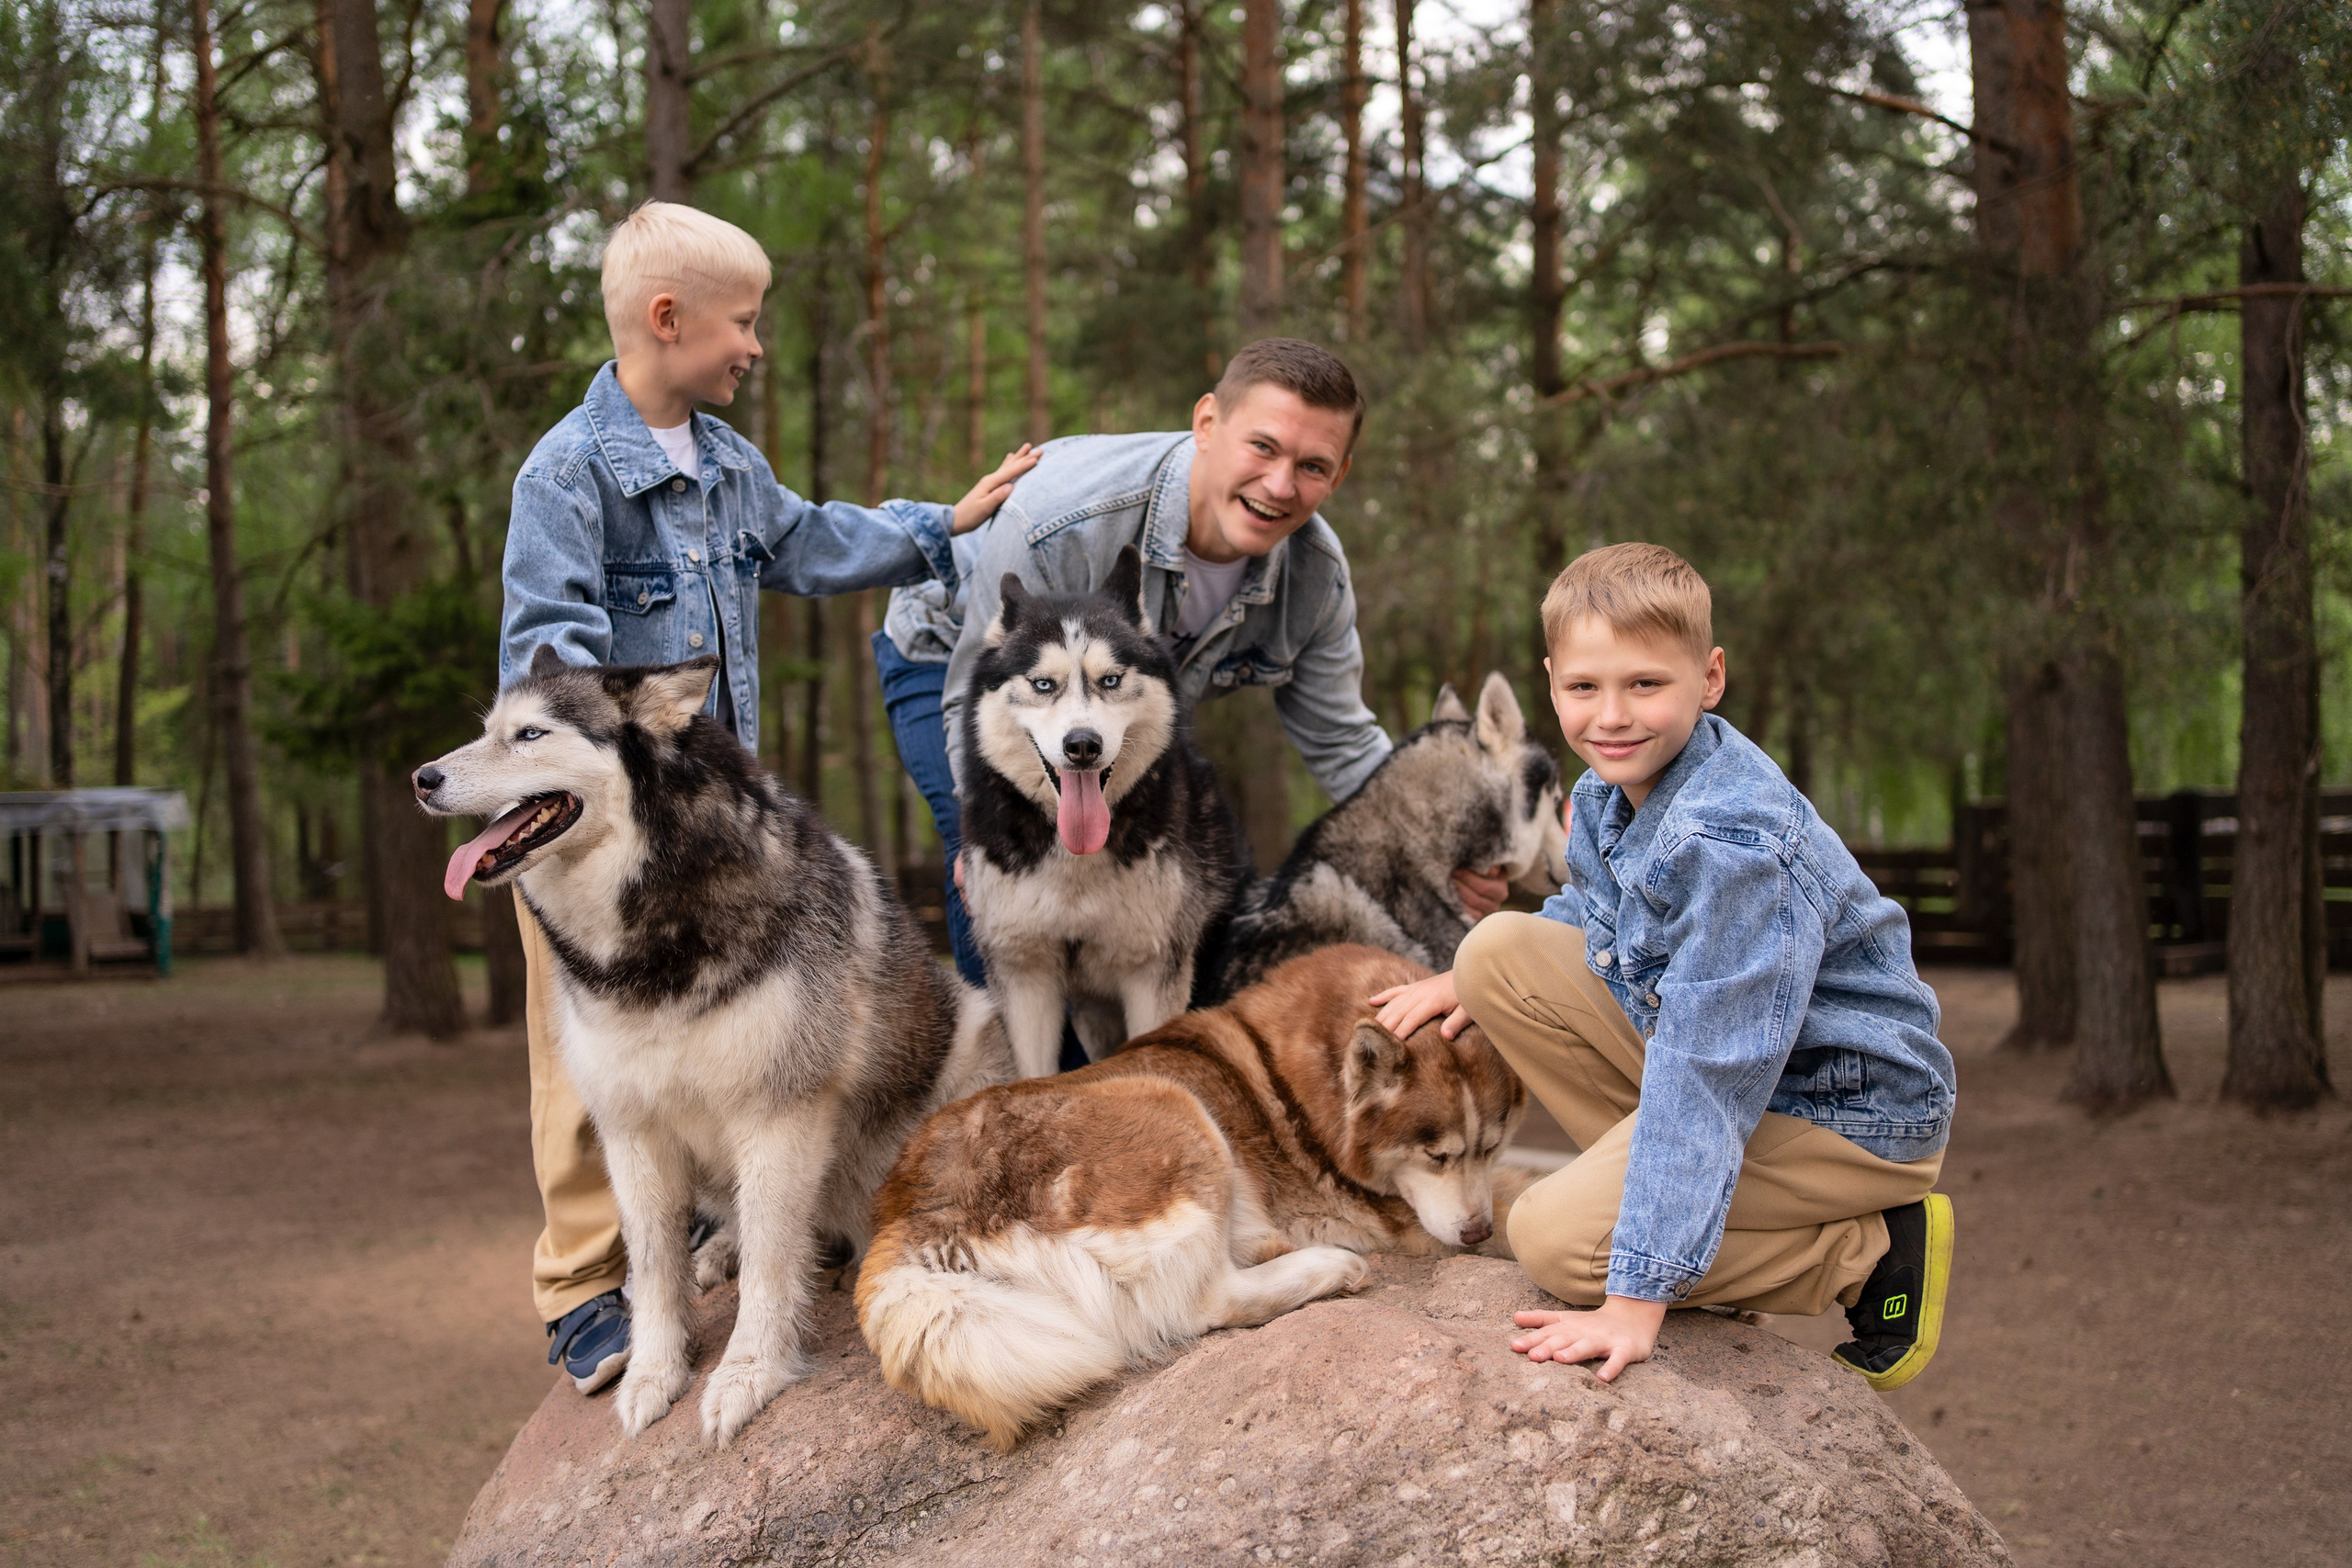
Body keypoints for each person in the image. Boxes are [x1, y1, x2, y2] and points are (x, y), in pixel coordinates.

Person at [499, 201, 1036, 1393]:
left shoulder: (730, 462)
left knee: (727, 1032)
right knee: (581, 1054)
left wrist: (939, 526)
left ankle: (707, 1220)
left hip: (715, 834)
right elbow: (546, 655)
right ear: (666, 318)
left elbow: (810, 541)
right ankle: (582, 1288)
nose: (753, 345)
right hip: (593, 831)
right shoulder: (570, 471)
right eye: (742, 323)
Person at [1370, 543, 1958, 1392]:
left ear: (1709, 677)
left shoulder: (1734, 846)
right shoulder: (1615, 787)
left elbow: (1710, 1071)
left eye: (1646, 684)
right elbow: (1603, 917)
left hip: (1846, 1110)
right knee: (1494, 952)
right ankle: (1677, 1204)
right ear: (1551, 682)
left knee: (1554, 1239)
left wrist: (1637, 1294)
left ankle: (1867, 1254)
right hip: (1756, 1075)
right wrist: (1464, 981)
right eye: (1584, 688)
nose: (1612, 714)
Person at [877, 337, 1511, 991]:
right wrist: (980, 829)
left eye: (1313, 466)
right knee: (1001, 880)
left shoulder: (1315, 579)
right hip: (954, 665)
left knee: (1142, 911)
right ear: (1207, 422)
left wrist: (1438, 851)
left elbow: (1342, 739)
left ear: (1340, 474)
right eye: (1262, 447)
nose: (1280, 485)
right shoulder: (1062, 526)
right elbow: (968, 691)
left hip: (1091, 711)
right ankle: (1010, 1078)